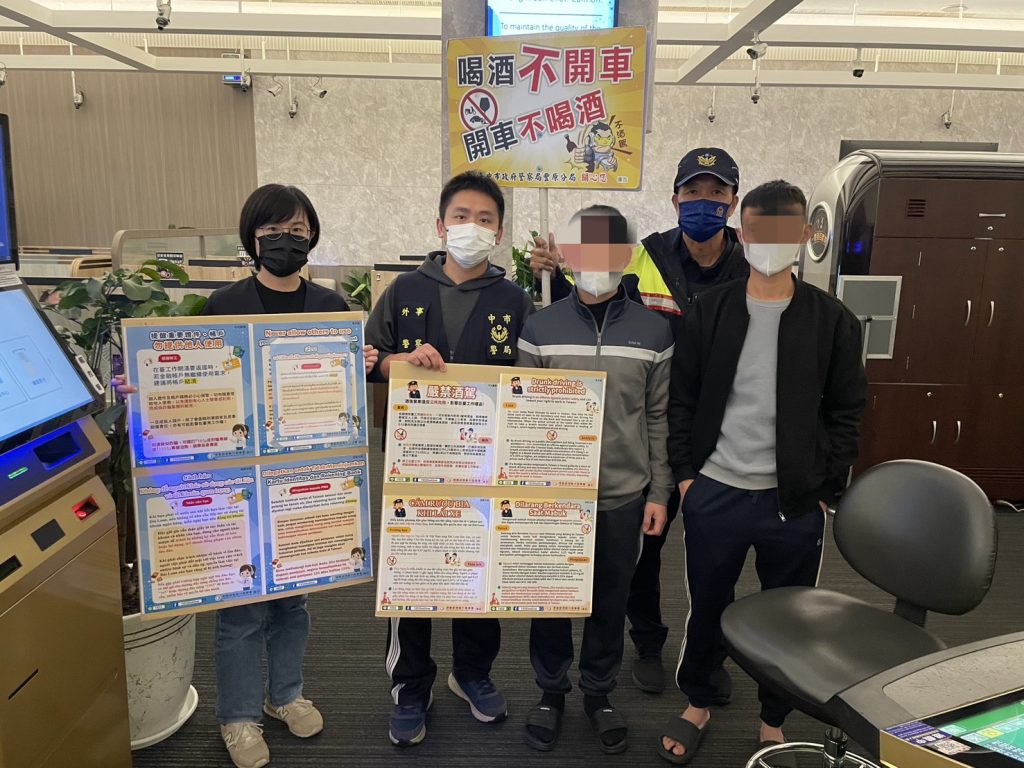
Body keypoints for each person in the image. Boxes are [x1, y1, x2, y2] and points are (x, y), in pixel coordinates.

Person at [114, 183, 379, 768]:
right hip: (234, 480)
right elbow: (195, 380)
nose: (287, 240)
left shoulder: (332, 308)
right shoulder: (224, 303)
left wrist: (360, 363)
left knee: (292, 602)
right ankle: (237, 717)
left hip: (303, 476)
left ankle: (285, 695)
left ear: (312, 235)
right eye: (273, 231)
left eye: (298, 230)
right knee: (240, 607)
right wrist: (143, 385)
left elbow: (341, 395)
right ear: (252, 238)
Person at [657, 180, 866, 764]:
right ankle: (698, 701)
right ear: (742, 233)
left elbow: (847, 412)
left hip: (793, 500)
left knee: (789, 616)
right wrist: (687, 478)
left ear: (804, 234)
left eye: (783, 229)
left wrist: (824, 488)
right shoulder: (711, 311)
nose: (769, 241)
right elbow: (682, 400)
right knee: (708, 604)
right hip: (716, 491)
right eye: (758, 229)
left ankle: (773, 720)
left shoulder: (832, 320)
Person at [531, 148, 749, 695]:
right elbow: (593, 315)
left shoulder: (753, 266)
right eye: (693, 192)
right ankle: (648, 643)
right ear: (675, 199)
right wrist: (553, 275)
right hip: (657, 427)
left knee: (716, 555)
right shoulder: (645, 256)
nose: (704, 202)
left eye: (716, 193)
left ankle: (709, 657)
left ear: (732, 202)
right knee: (642, 557)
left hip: (727, 434)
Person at [366, 170, 534, 747]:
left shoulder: (515, 300)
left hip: (485, 461)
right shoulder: (404, 290)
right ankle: (410, 686)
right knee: (411, 572)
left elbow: (531, 377)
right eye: (462, 217)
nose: (472, 227)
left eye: (485, 220)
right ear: (441, 225)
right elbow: (370, 358)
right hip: (413, 461)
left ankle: (473, 672)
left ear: (499, 233)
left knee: (477, 568)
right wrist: (399, 362)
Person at [516, 205, 674, 754]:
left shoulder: (654, 331)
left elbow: (658, 417)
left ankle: (599, 692)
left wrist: (659, 492)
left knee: (610, 597)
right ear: (568, 254)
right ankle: (550, 690)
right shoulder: (539, 328)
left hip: (623, 495)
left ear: (627, 255)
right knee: (551, 599)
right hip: (553, 496)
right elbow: (522, 415)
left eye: (610, 248)